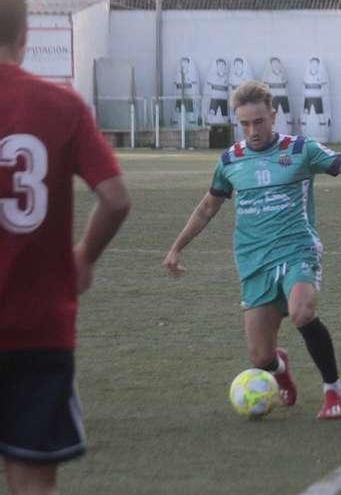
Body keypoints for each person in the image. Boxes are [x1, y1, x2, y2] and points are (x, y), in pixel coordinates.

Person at [162, 80, 341, 420]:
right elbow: (207, 208)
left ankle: (332, 389)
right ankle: (280, 371)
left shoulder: (300, 150)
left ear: (273, 116)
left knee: (302, 312)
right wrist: (176, 248)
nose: (252, 130)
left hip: (297, 249)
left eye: (259, 121)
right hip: (253, 261)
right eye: (245, 123)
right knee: (260, 357)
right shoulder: (230, 160)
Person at [0, 1, 131, 493]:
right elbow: (116, 199)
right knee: (33, 482)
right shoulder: (60, 104)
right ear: (26, 36)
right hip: (39, 327)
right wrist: (84, 258)